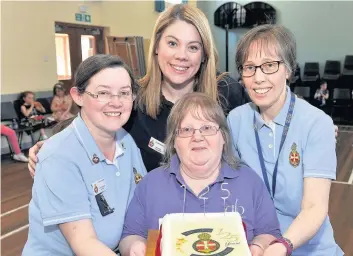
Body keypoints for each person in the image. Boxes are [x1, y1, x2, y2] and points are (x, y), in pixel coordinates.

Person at [27, 4, 250, 175]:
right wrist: (52, 146)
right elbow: (89, 125)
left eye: (193, 47)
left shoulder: (227, 92)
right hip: (151, 221)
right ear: (156, 48)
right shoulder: (133, 98)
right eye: (172, 43)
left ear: (204, 55)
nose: (181, 55)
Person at [227, 24, 343, 255]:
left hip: (309, 248)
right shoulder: (236, 120)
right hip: (255, 246)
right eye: (250, 67)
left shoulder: (316, 123)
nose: (258, 78)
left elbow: (314, 206)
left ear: (288, 70)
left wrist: (283, 245)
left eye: (269, 65)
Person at [119, 93, 281, 256]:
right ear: (174, 141)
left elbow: (271, 233)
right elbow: (129, 235)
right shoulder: (150, 185)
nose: (197, 137)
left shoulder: (249, 182)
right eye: (187, 130)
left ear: (223, 137)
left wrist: (259, 246)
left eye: (207, 128)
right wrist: (134, 246)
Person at [22, 54, 147, 255]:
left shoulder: (127, 142)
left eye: (124, 93)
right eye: (103, 93)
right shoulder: (58, 157)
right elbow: (85, 245)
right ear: (78, 96)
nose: (116, 102)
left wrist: (134, 245)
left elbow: (134, 213)